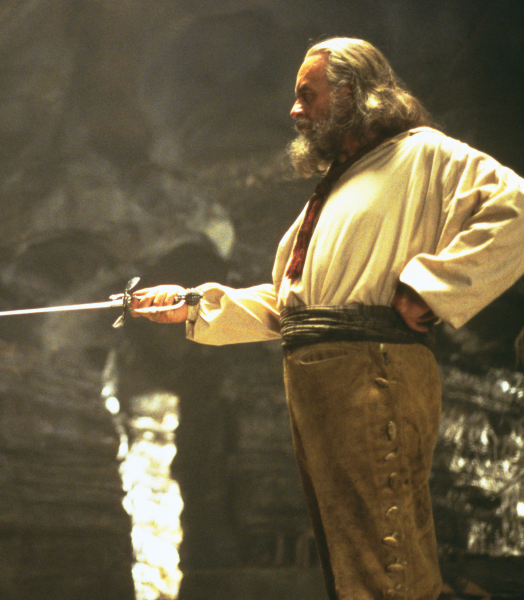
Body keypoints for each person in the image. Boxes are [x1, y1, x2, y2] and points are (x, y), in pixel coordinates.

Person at [131, 38, 524, 600]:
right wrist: (193, 303)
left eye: (307, 94)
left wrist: (432, 289)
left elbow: (516, 208)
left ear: (352, 93)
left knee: (386, 564)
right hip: (323, 383)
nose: (295, 110)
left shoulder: (422, 154)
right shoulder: (338, 185)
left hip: (374, 371)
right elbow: (294, 302)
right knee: (352, 569)